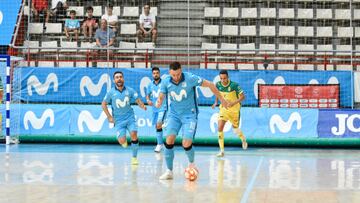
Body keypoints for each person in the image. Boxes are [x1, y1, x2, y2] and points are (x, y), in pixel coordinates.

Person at [155, 62, 229, 180]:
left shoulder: (190, 78)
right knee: (169, 140)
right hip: (173, 115)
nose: (176, 77)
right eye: (174, 75)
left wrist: (222, 99)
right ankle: (169, 171)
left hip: (190, 115)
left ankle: (192, 164)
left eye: (178, 74)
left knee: (186, 143)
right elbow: (161, 95)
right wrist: (159, 101)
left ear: (181, 70)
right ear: (170, 73)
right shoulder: (165, 81)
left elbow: (210, 84)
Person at [102, 71, 147, 165]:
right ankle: (124, 142)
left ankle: (134, 158)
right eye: (117, 77)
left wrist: (142, 106)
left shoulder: (129, 90)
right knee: (122, 141)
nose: (119, 79)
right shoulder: (111, 92)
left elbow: (137, 100)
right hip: (118, 120)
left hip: (130, 117)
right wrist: (109, 117)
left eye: (121, 77)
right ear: (114, 80)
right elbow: (103, 104)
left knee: (134, 133)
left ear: (123, 79)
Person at [211, 70, 248, 157]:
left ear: (228, 77)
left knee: (235, 130)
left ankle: (243, 139)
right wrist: (216, 102)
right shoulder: (218, 84)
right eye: (221, 78)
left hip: (234, 110)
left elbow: (243, 97)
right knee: (219, 128)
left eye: (224, 78)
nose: (223, 80)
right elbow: (217, 94)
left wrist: (233, 103)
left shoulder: (234, 85)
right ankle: (222, 151)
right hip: (224, 109)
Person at [146, 67, 167, 153]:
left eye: (157, 73)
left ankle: (159, 144)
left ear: (160, 74)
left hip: (163, 107)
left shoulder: (164, 83)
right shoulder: (150, 85)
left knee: (159, 124)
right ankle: (160, 143)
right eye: (154, 73)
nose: (155, 74)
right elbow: (148, 95)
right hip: (154, 109)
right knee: (157, 126)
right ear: (152, 74)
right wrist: (148, 100)